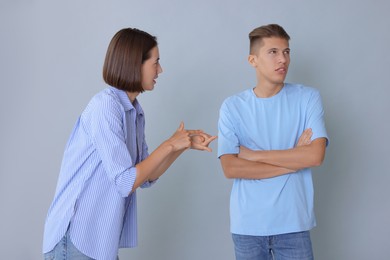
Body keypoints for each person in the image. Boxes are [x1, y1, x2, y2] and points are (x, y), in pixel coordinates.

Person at [43, 28, 217, 260]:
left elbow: (145, 177)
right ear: (136, 64)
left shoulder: (135, 111)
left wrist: (179, 146)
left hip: (99, 242)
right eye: (155, 63)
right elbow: (126, 182)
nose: (160, 70)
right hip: (76, 238)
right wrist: (168, 144)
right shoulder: (106, 106)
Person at [217, 24, 329, 260]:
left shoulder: (307, 98)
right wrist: (294, 158)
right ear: (253, 60)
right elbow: (231, 168)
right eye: (273, 52)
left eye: (287, 52)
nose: (283, 59)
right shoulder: (232, 107)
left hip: (294, 224)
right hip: (247, 227)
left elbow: (315, 156)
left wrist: (255, 156)